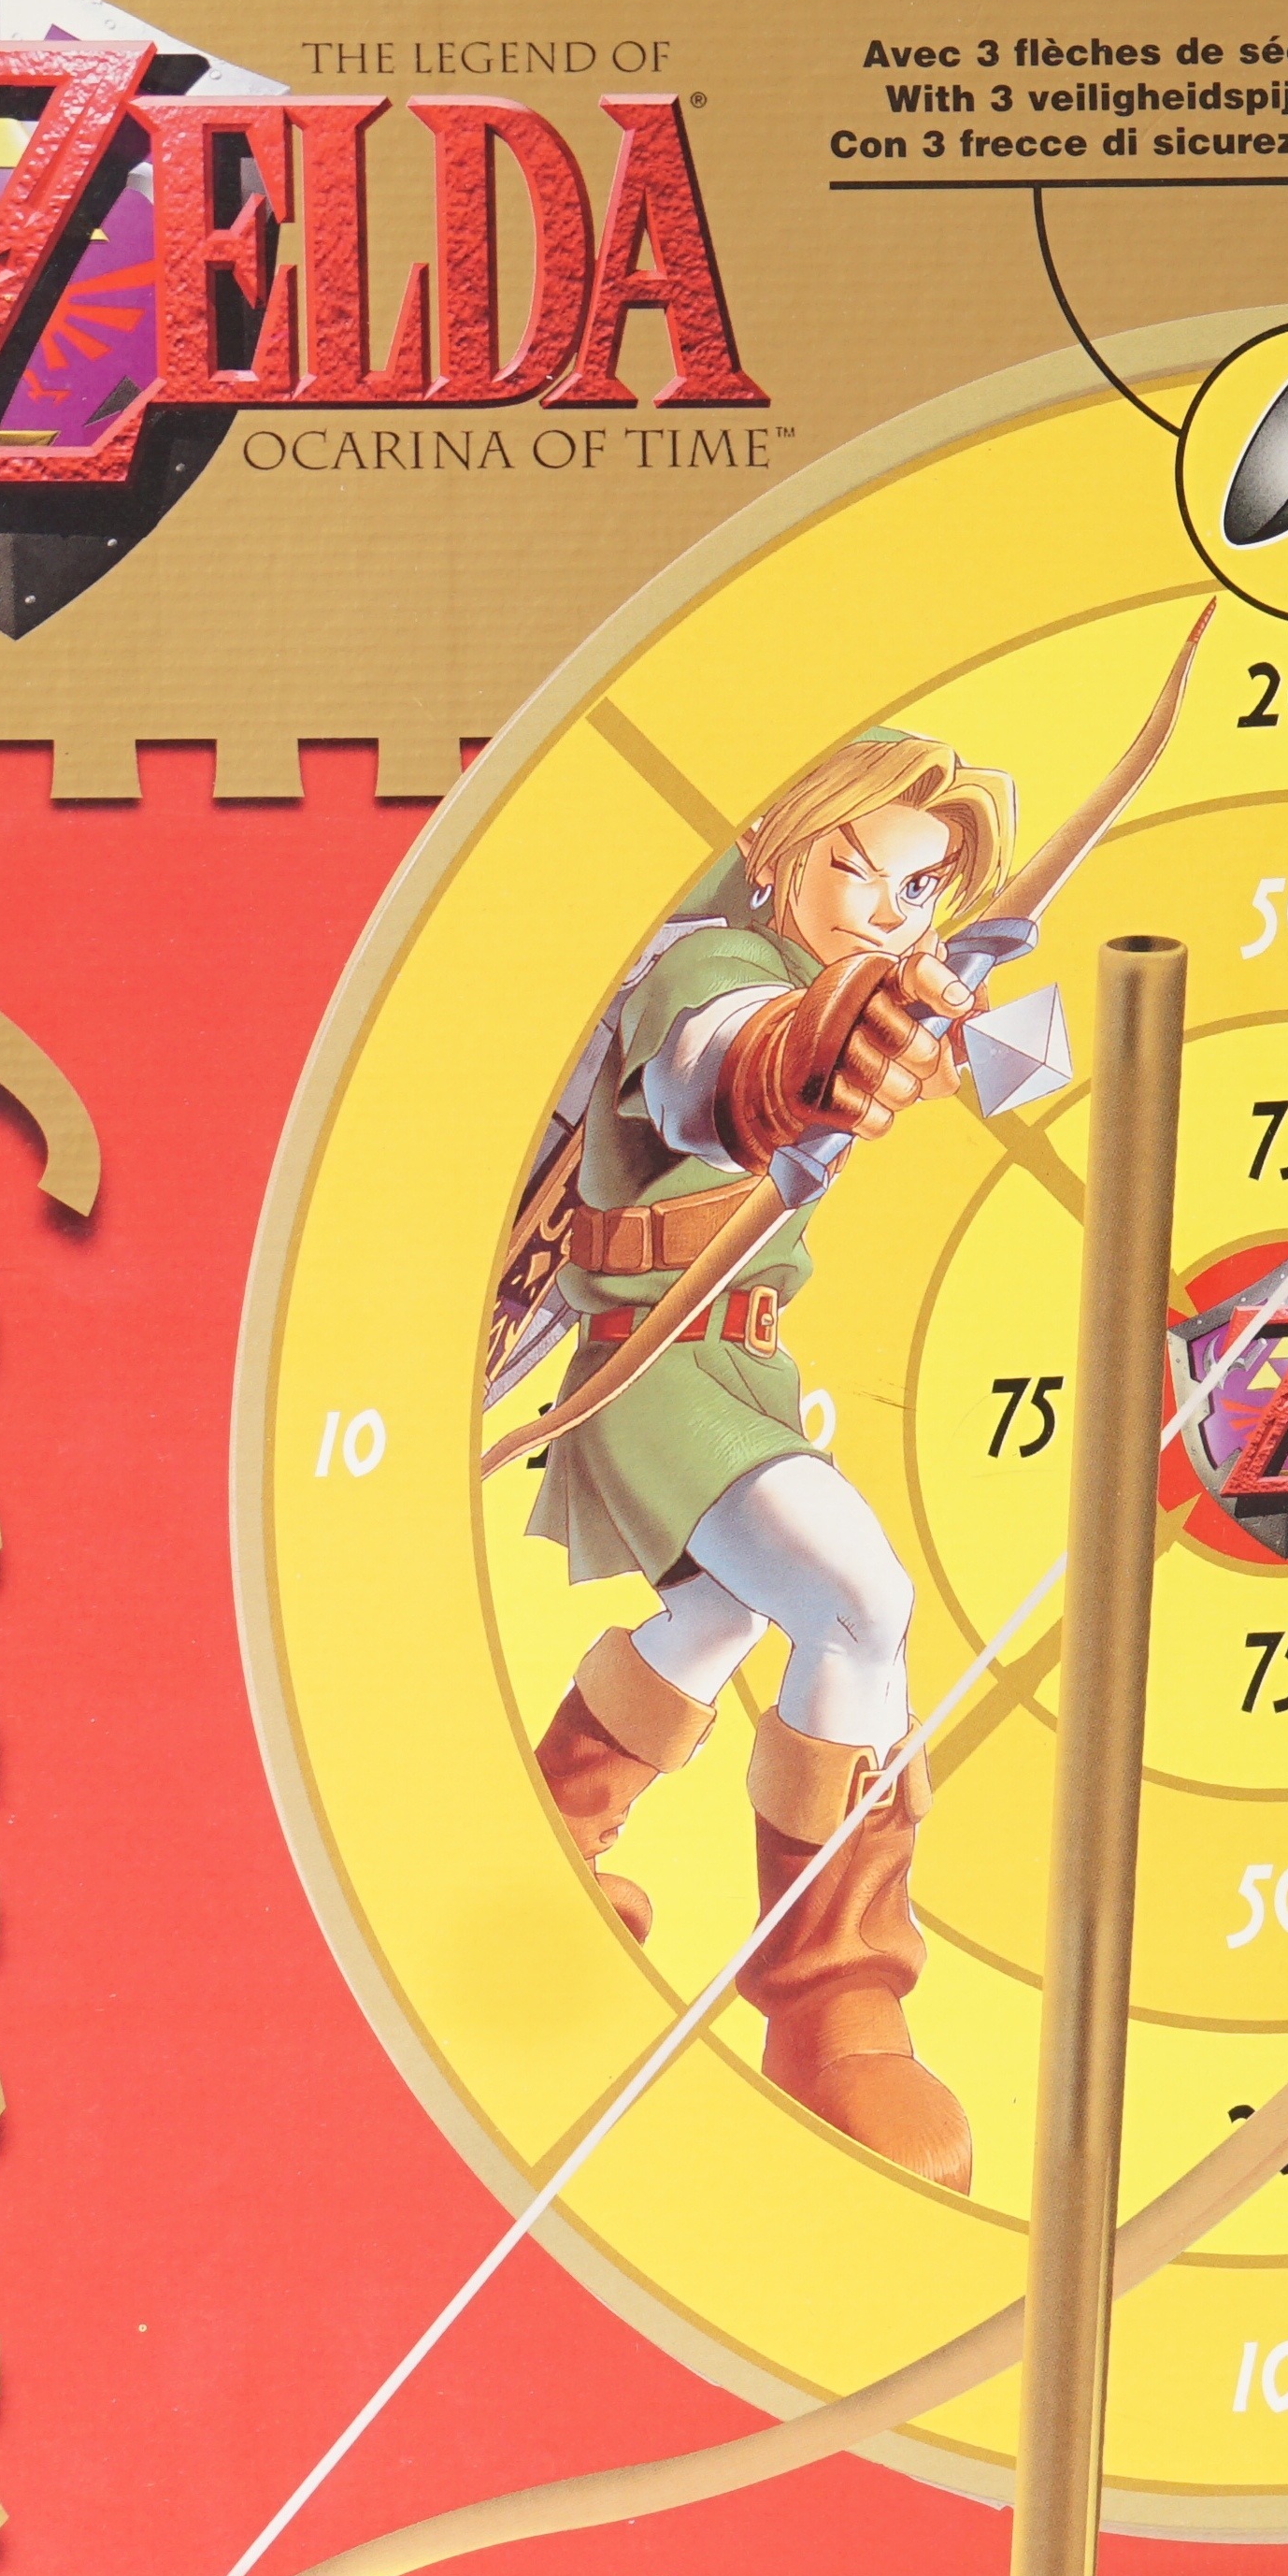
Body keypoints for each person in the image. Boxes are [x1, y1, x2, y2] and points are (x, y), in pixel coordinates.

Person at [523, 730, 1010, 2194]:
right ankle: (833, 2009)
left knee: (719, 1613)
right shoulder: (708, 968)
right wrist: (825, 1044)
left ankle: (551, 1833)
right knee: (856, 1601)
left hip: (742, 1364)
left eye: (915, 888)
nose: (880, 907)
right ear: (773, 852)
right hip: (654, 1361)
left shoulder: (853, 980)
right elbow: (716, 1077)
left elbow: (987, 1059)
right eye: (851, 868)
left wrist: (946, 1018)